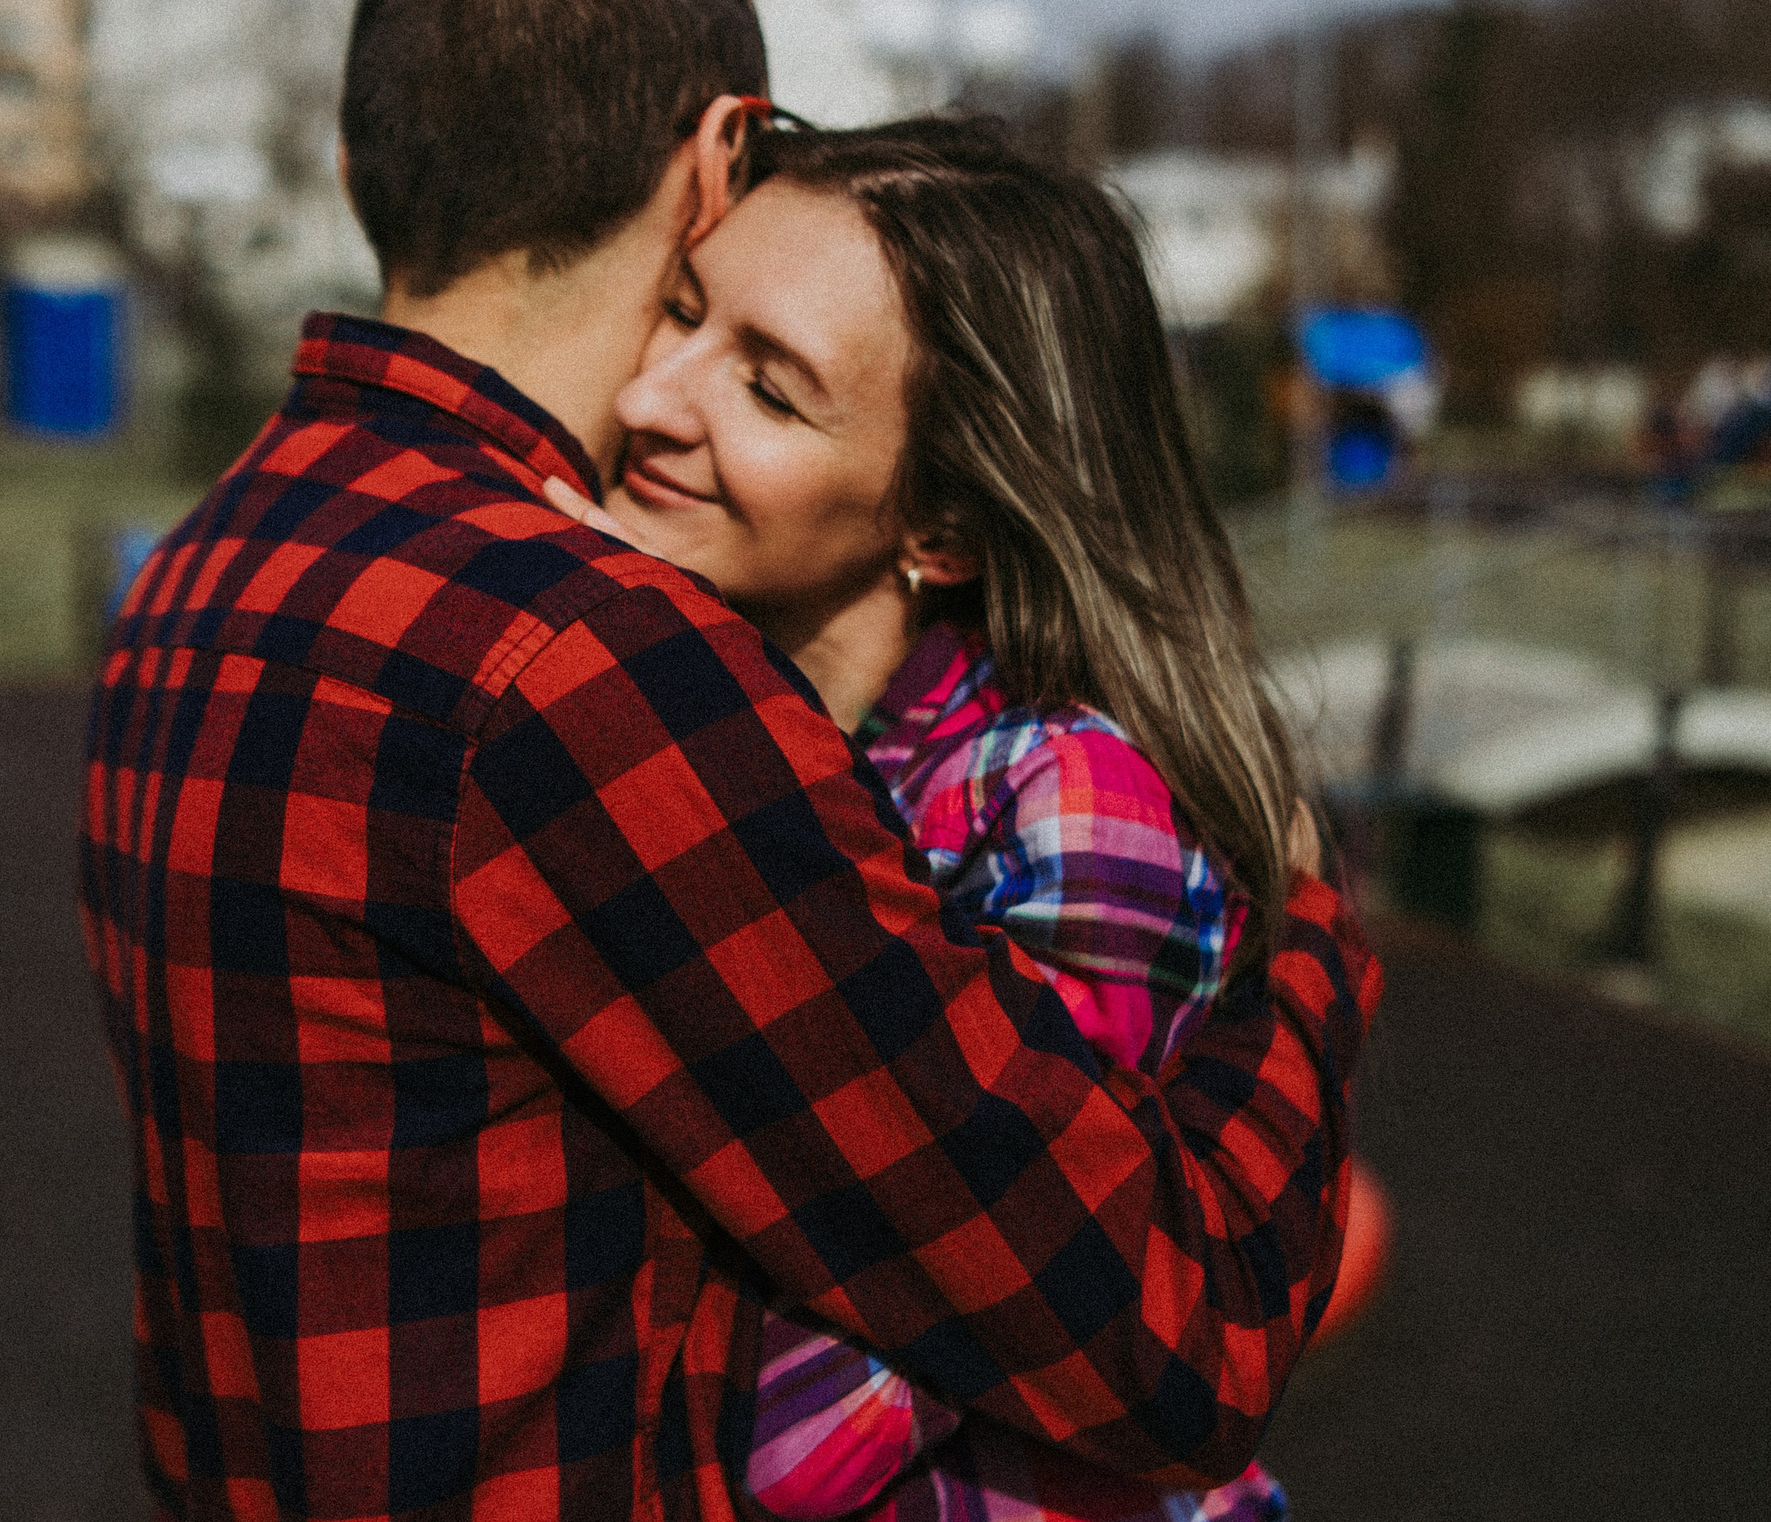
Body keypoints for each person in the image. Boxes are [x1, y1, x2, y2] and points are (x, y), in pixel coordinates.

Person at [78, 0, 1380, 1522]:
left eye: (763, 373)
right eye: (695, 318)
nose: (684, 392)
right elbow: (1161, 1343)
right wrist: (1314, 940)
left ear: (353, 168)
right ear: (719, 155)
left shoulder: (199, 574)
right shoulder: (585, 658)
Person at [556, 118, 1306, 1521]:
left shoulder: (1067, 810)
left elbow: (817, 1440)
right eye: (681, 311)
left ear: (943, 528)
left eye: (769, 391)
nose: (655, 394)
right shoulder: (812, 745)